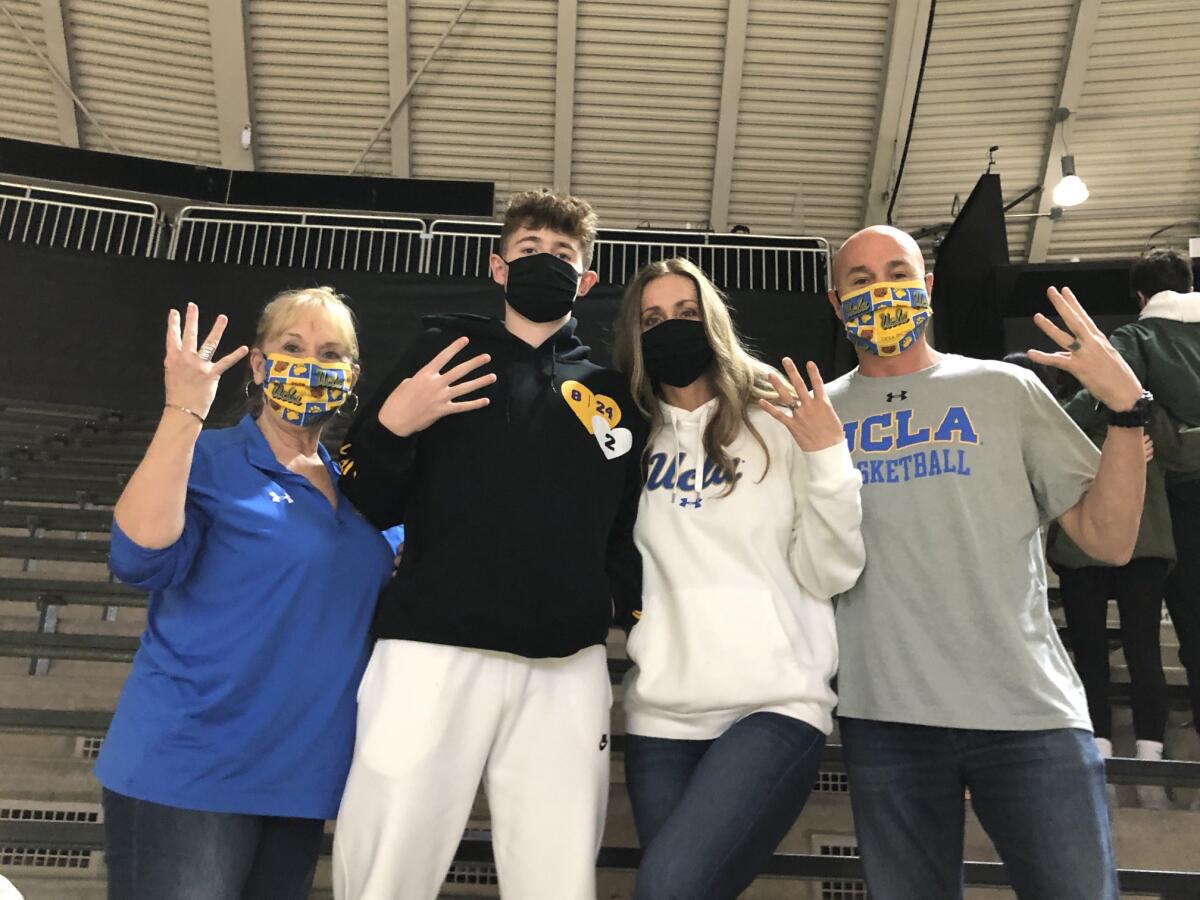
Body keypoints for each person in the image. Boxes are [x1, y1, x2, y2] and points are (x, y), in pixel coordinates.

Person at [331, 190, 646, 900]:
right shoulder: (441, 356)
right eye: (529, 250)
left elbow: (626, 530)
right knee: (386, 873)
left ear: (586, 281)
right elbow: (364, 489)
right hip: (429, 651)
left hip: (565, 664)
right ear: (498, 266)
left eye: (563, 255)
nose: (546, 263)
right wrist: (392, 427)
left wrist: (630, 617)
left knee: (558, 881)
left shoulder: (613, 394)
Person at [824, 225, 1149, 900]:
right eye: (861, 280)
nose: (881, 289)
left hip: (1028, 711)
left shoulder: (1003, 388)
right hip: (886, 717)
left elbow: (1108, 539)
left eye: (896, 271)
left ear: (927, 288)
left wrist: (1127, 408)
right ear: (836, 302)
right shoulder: (817, 414)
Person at [96, 288, 400, 900]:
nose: (310, 364)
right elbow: (138, 557)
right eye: (291, 347)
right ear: (258, 366)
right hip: (190, 770)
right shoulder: (209, 458)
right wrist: (184, 410)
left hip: (300, 778)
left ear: (352, 376)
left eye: (329, 352)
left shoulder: (365, 490)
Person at [610, 258, 865, 898]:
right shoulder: (626, 436)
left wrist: (829, 458)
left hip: (773, 703)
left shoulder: (776, 417)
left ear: (714, 321)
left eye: (687, 314)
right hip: (661, 716)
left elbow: (831, 569)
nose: (671, 328)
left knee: (667, 887)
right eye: (653, 319)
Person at [1086, 248, 1200, 755]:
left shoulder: (1136, 338)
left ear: (1140, 296)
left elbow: (1109, 397)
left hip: (1174, 493)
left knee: (1183, 616)